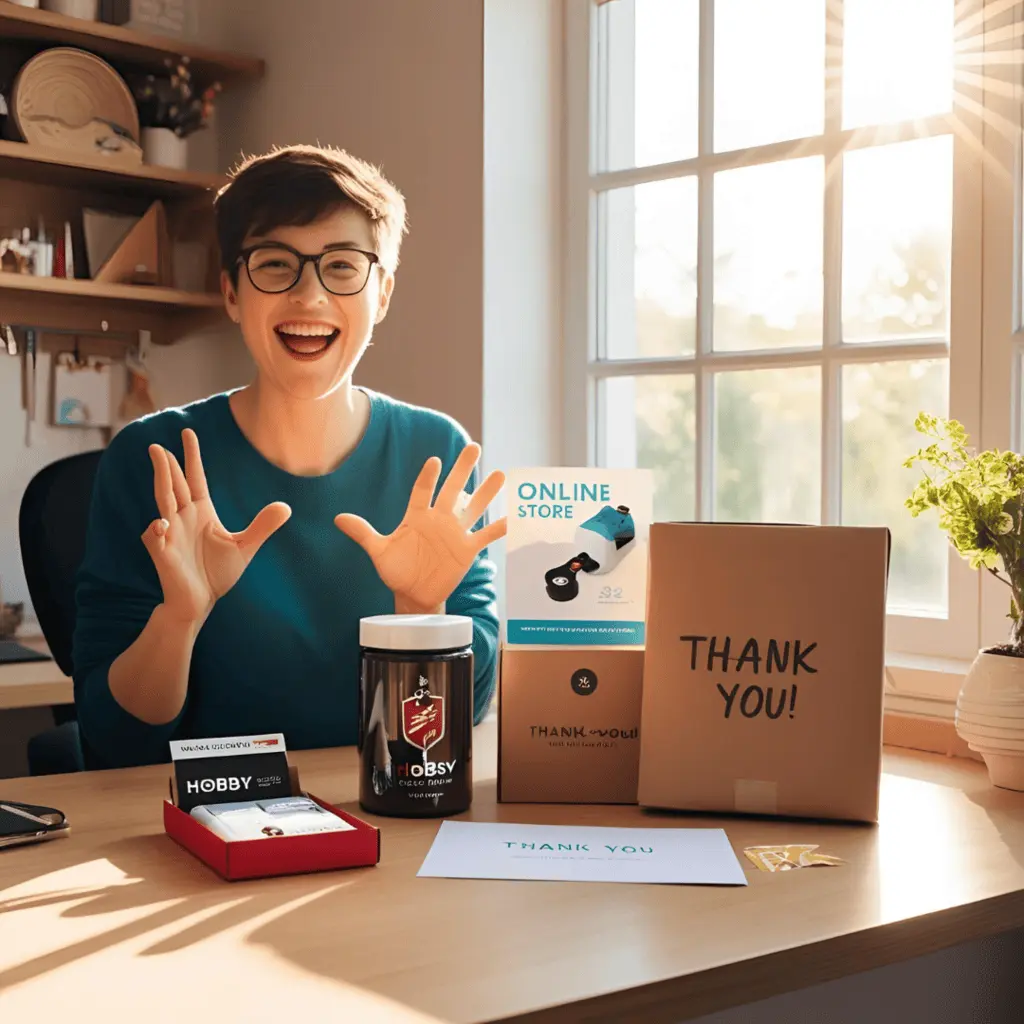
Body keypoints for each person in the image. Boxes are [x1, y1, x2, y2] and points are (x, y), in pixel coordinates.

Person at [71, 144, 506, 769]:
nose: (309, 295)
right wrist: (180, 617)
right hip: (203, 820)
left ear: (381, 293)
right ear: (230, 291)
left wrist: (421, 614)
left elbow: (466, 717)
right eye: (276, 265)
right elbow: (114, 737)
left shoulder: (434, 453)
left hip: (383, 807)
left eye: (343, 266)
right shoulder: (154, 457)